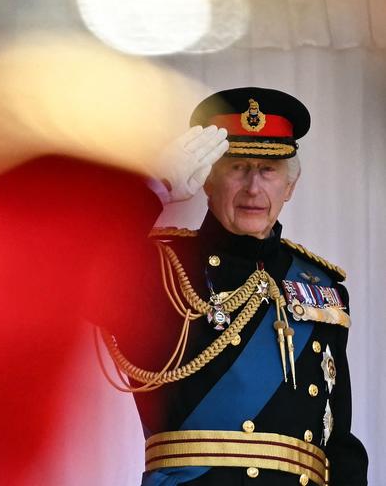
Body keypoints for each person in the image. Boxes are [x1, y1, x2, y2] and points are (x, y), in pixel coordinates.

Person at [96, 87, 368, 485]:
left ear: (289, 186)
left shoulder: (321, 288)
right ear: (207, 180)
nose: (253, 188)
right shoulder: (158, 270)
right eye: (237, 167)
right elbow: (66, 273)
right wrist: (152, 189)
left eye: (268, 170)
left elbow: (338, 443)